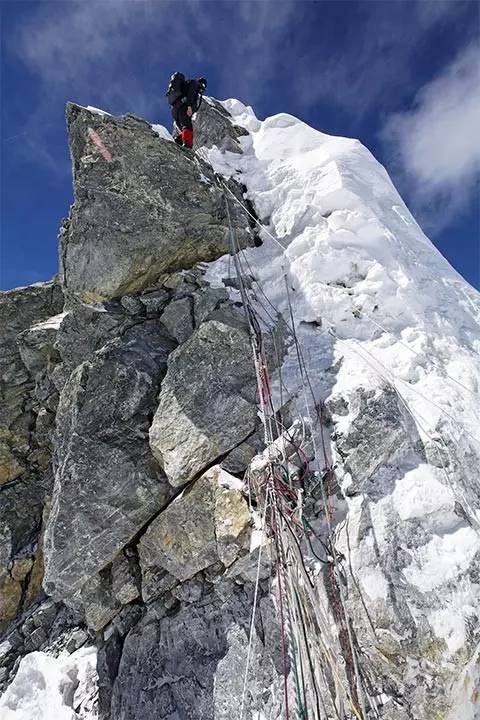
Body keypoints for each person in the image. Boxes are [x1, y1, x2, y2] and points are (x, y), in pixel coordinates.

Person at [166, 73, 207, 149]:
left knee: (184, 129)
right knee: (188, 127)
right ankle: (187, 146)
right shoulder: (194, 83)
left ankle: (178, 142)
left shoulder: (188, 85)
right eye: (203, 85)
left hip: (175, 110)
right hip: (183, 106)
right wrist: (189, 106)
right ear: (200, 82)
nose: (203, 88)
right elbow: (190, 94)